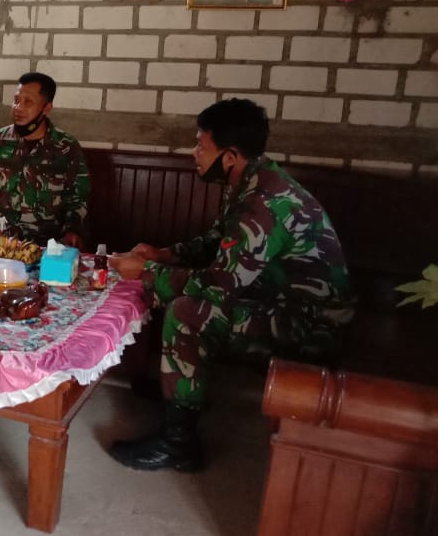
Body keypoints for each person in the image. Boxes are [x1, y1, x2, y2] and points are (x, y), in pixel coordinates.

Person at [107, 98, 354, 472]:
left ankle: (178, 443)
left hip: (310, 325)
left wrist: (145, 272)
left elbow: (220, 284)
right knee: (177, 288)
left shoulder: (264, 201)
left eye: (201, 146)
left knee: (188, 312)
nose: (194, 154)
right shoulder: (252, 181)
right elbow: (216, 243)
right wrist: (163, 254)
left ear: (230, 156)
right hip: (279, 298)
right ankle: (180, 390)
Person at [0, 72, 90, 249]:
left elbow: (78, 197)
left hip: (50, 247)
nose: (18, 108)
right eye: (16, 100)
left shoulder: (66, 147)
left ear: (46, 108)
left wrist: (73, 230)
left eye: (28, 102)